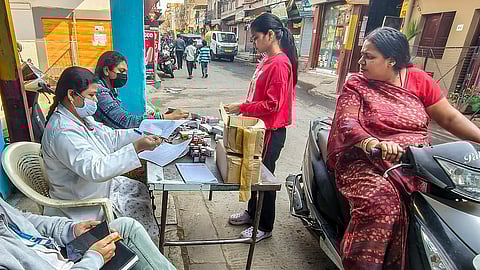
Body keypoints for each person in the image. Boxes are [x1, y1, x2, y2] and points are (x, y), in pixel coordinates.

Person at [327, 27, 480, 270]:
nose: (361, 61)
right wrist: (373, 143)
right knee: (382, 203)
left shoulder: (419, 80)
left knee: (437, 206)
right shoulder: (356, 84)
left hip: (414, 163)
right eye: (362, 55)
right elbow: (348, 122)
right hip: (365, 162)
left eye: (369, 56)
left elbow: (450, 118)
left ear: (392, 60)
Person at [41, 66, 164, 241]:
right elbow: (96, 169)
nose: (96, 100)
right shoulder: (62, 132)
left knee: (139, 189)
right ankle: (142, 252)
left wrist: (140, 134)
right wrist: (136, 148)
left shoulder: (80, 118)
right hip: (83, 203)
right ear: (71, 95)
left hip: (98, 188)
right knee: (139, 226)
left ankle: (149, 242)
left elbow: (110, 137)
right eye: (91, 95)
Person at [224, 13, 297, 242]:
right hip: (259, 128)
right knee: (254, 174)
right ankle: (251, 212)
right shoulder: (267, 60)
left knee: (264, 179)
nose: (254, 42)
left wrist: (242, 107)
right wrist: (244, 109)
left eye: (256, 38)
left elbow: (273, 104)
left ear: (271, 35)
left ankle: (264, 226)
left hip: (271, 132)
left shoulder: (279, 63)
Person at [0, 198, 176, 269]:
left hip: (59, 254)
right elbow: (95, 168)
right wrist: (94, 259)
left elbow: (24, 219)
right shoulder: (62, 133)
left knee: (125, 227)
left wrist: (70, 230)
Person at [93, 51, 188, 129]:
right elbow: (125, 121)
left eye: (125, 72)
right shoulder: (99, 91)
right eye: (121, 71)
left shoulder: (111, 90)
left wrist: (157, 117)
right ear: (106, 70)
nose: (124, 75)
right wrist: (166, 117)